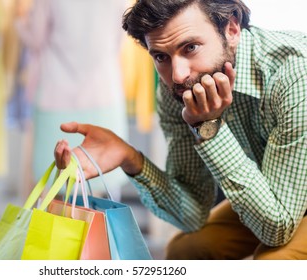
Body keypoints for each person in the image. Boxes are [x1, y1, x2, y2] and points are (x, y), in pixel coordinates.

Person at [54, 0, 307, 259]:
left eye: (191, 47)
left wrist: (209, 128)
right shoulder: (178, 89)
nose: (177, 75)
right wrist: (130, 159)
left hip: (286, 206)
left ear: (231, 29)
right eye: (161, 56)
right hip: (278, 192)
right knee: (185, 249)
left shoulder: (295, 75)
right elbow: (192, 214)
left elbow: (277, 229)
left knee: (275, 261)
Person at [15, 0, 130, 198]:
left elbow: (35, 38)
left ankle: (49, 229)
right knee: (106, 181)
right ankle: (105, 230)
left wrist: (18, 21)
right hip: (103, 91)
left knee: (50, 179)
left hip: (56, 94)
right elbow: (120, 40)